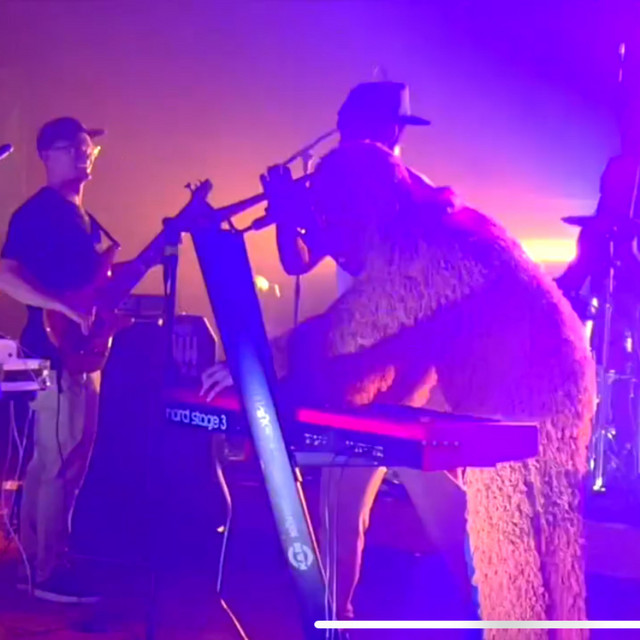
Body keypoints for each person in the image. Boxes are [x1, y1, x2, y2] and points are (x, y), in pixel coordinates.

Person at [202, 82, 472, 620]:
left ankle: (498, 594)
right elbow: (299, 260)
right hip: (376, 367)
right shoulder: (361, 187)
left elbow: (375, 287)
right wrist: (287, 213)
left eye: (354, 131)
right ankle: (340, 617)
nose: (344, 141)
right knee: (350, 499)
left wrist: (277, 357)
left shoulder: (406, 197)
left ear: (388, 133)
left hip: (402, 366)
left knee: (392, 488)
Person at [0, 117, 162, 603]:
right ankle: (46, 570)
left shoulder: (86, 221)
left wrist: (144, 263)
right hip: (53, 350)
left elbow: (96, 289)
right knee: (57, 461)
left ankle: (38, 559)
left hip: (85, 353)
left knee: (63, 461)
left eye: (87, 147)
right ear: (47, 155)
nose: (84, 153)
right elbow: (6, 275)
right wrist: (60, 307)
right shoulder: (37, 213)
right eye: (73, 147)